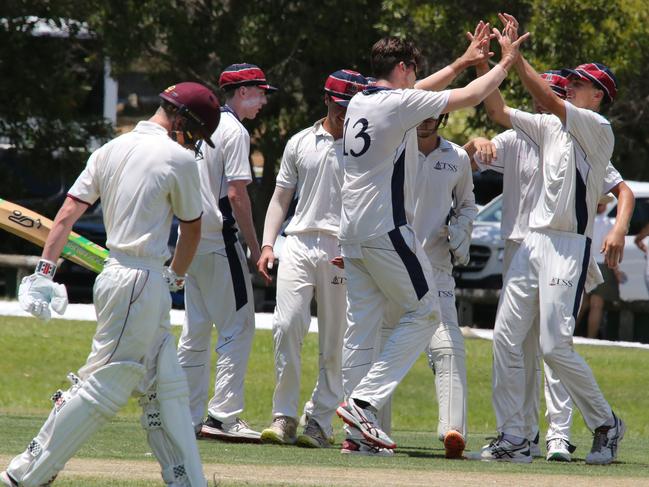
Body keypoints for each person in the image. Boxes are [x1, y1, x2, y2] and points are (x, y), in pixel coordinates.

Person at [1, 81, 221, 487]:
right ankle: (25, 474)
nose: (195, 144)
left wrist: (45, 270)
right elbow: (192, 229)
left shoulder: (110, 149)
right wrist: (176, 275)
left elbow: (67, 212)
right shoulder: (178, 159)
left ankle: (187, 479)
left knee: (165, 385)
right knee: (105, 383)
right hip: (142, 280)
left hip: (116, 275)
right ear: (182, 121)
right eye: (196, 134)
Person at [335, 20, 528, 454]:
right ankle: (364, 403)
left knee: (362, 332)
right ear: (402, 67)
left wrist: (462, 61)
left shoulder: (361, 101)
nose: (414, 78)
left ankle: (356, 435)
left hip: (352, 233)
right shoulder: (398, 104)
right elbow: (472, 97)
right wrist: (506, 63)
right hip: (385, 228)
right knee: (427, 315)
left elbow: (421, 89)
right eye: (412, 71)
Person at [474, 12, 627, 465]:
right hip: (534, 241)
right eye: (572, 82)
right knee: (505, 337)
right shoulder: (549, 126)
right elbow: (498, 111)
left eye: (580, 84)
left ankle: (605, 423)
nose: (571, 87)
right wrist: (487, 65)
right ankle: (516, 437)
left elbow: (545, 94)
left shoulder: (597, 129)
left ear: (597, 96)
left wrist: (514, 57)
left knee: (552, 347)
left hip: (567, 247)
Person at [256, 70, 367, 449]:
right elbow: (280, 198)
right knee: (286, 326)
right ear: (327, 100)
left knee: (335, 339)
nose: (345, 114)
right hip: (299, 242)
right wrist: (268, 244)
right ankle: (284, 416)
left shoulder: (365, 143)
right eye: (340, 106)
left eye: (352, 107)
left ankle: (319, 421)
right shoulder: (300, 142)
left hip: (342, 247)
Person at [176, 63, 276, 443]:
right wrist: (255, 248)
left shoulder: (205, 127)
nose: (264, 100)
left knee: (196, 331)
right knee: (238, 327)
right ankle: (223, 417)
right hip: (220, 240)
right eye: (260, 92)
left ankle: (185, 415)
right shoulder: (234, 130)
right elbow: (237, 195)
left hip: (193, 240)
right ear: (243, 91)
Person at [379, 114, 477, 459]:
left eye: (432, 116)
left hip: (436, 266)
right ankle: (375, 430)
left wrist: (461, 231)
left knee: (448, 345)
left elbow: (466, 204)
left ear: (443, 118)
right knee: (383, 345)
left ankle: (453, 430)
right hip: (392, 260)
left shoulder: (457, 157)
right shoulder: (392, 147)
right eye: (420, 115)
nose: (425, 122)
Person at [582, 196, 625, 338]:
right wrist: (616, 271)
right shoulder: (607, 223)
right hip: (601, 265)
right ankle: (591, 338)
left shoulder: (586, 220)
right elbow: (608, 249)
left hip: (585, 263)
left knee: (582, 304)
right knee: (597, 305)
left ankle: (567, 334)